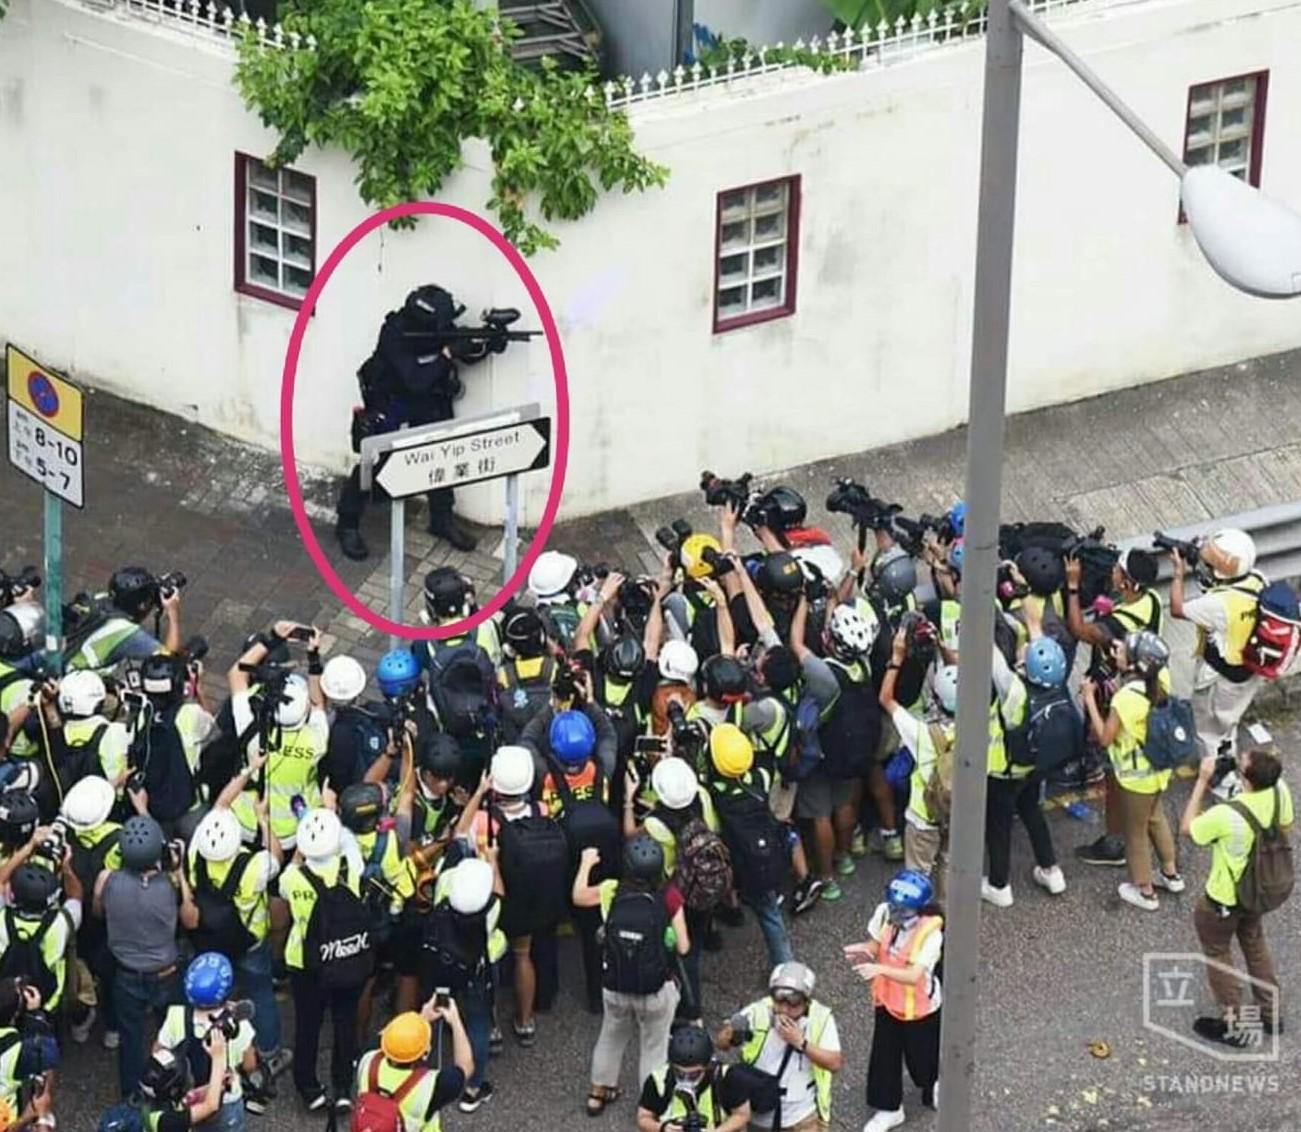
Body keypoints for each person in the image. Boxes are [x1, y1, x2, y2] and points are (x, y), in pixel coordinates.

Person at [335, 284, 493, 559]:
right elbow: (415, 379)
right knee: (375, 463)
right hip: (392, 400)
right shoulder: (395, 333)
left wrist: (487, 343)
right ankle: (347, 523)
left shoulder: (436, 329)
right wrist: (446, 355)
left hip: (429, 401)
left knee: (441, 455)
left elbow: (464, 349)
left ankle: (441, 519)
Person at [1180, 746, 1292, 1046]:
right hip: (1258, 890)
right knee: (1255, 944)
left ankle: (1234, 1024)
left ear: (1247, 780)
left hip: (1223, 899)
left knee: (1218, 953)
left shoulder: (1227, 814)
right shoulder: (1280, 790)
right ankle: (1272, 1014)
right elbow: (1286, 826)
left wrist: (1202, 781)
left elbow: (1188, 829)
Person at [573, 836, 689, 1117]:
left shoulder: (612, 890)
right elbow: (684, 946)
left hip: (615, 983)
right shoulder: (669, 896)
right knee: (654, 1045)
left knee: (611, 1034)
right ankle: (651, 1105)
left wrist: (586, 863)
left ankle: (598, 1092)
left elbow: (578, 896)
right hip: (656, 988)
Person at [184, 794, 290, 1082]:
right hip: (249, 941)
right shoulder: (253, 866)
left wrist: (249, 771)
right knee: (260, 993)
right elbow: (277, 855)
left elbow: (218, 804)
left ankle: (216, 1046)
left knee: (216, 994)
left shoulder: (196, 855)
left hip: (210, 939)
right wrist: (263, 818)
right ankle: (269, 1052)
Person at [1082, 630, 1185, 911]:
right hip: (1159, 771)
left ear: (1135, 665)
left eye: (1125, 651)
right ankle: (1170, 873)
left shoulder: (1125, 699)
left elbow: (1105, 737)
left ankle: (1145, 891)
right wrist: (1123, 653)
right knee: (1156, 818)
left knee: (1135, 833)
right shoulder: (1160, 679)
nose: (1119, 652)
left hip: (1136, 779)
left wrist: (1090, 699)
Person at [94, 814, 195, 1099]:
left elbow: (98, 912)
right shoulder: (169, 886)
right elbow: (191, 920)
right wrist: (180, 872)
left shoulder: (107, 880)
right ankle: (174, 1086)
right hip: (167, 972)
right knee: (174, 1033)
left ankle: (132, 1095)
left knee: (131, 1038)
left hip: (126, 973)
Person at [279, 806, 371, 1116]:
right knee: (345, 1023)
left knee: (308, 1024)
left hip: (306, 962)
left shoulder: (293, 877)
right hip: (346, 954)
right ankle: (343, 1087)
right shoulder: (352, 869)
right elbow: (349, 842)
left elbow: (282, 884)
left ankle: (308, 1087)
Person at [790, 595, 882, 901]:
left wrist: (803, 602)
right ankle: (844, 856)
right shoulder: (863, 665)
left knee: (820, 814)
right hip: (854, 754)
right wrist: (831, 603)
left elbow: (796, 643)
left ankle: (827, 877)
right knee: (845, 805)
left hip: (824, 756)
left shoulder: (823, 675)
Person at [847, 870, 943, 1132]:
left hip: (920, 1007)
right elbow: (877, 942)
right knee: (884, 1057)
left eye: (902, 909)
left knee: (923, 1057)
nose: (895, 912)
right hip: (888, 1001)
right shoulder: (885, 912)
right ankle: (889, 1108)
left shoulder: (931, 933)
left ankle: (933, 1084)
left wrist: (879, 970)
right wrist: (865, 950)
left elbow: (914, 975)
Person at [226, 623, 329, 851]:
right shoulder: (316, 742)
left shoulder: (251, 726)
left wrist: (272, 637)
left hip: (244, 821)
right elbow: (319, 702)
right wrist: (313, 659)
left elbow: (236, 675)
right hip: (291, 832)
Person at [1171, 529, 1265, 772]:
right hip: (1248, 670)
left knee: (1208, 731)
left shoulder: (1218, 605)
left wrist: (1179, 575)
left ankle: (1219, 777)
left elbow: (1177, 609)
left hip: (1219, 677)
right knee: (1227, 720)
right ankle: (1227, 749)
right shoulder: (1257, 580)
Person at [703, 724, 793, 968]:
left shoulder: (714, 793)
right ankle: (784, 964)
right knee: (770, 912)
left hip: (734, 861)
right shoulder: (761, 778)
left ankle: (729, 912)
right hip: (761, 857)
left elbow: (711, 824)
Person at [715, 961, 843, 1132]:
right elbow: (721, 1043)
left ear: (806, 1001)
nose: (784, 1009)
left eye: (793, 1004)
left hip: (801, 1117)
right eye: (779, 1001)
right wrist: (731, 1034)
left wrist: (801, 1042)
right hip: (757, 1112)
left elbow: (835, 1063)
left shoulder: (821, 1019)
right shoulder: (759, 1011)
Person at [424, 856, 507, 1115]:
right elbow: (499, 890)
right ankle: (473, 1088)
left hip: (445, 964)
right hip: (480, 968)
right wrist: (492, 860)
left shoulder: (447, 887)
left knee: (435, 1014)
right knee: (478, 1023)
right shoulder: (491, 905)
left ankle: (425, 1075)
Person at [154, 953, 259, 1131]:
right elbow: (250, 1064)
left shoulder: (176, 1016)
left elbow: (158, 1051)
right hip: (226, 1099)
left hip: (188, 1098)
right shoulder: (240, 1025)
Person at [58, 775, 123, 1047]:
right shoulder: (118, 839)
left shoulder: (61, 834)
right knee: (110, 973)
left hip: (73, 914)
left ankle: (80, 1022)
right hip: (105, 920)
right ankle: (112, 1027)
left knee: (76, 967)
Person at [354, 1000, 474, 1132]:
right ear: (425, 1052)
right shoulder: (433, 1086)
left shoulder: (367, 1061)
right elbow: (465, 1067)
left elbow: (385, 1037)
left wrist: (420, 1018)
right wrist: (455, 1021)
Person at [65, 566, 182, 673]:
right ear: (142, 606)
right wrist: (173, 614)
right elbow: (167, 661)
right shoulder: (127, 633)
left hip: (64, 654)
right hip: (74, 676)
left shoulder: (101, 598)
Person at [636, 1024, 750, 1132]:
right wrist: (661, 1128)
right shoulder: (658, 1081)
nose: (686, 1079)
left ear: (708, 1066)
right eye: (679, 1073)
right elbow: (643, 1117)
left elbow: (742, 1114)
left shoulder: (727, 1078)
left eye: (693, 1075)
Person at [97, 1041, 228, 1131]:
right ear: (174, 1091)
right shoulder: (165, 1121)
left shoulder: (145, 1099)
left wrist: (216, 1084)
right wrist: (218, 1058)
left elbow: (187, 1099)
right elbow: (210, 1106)